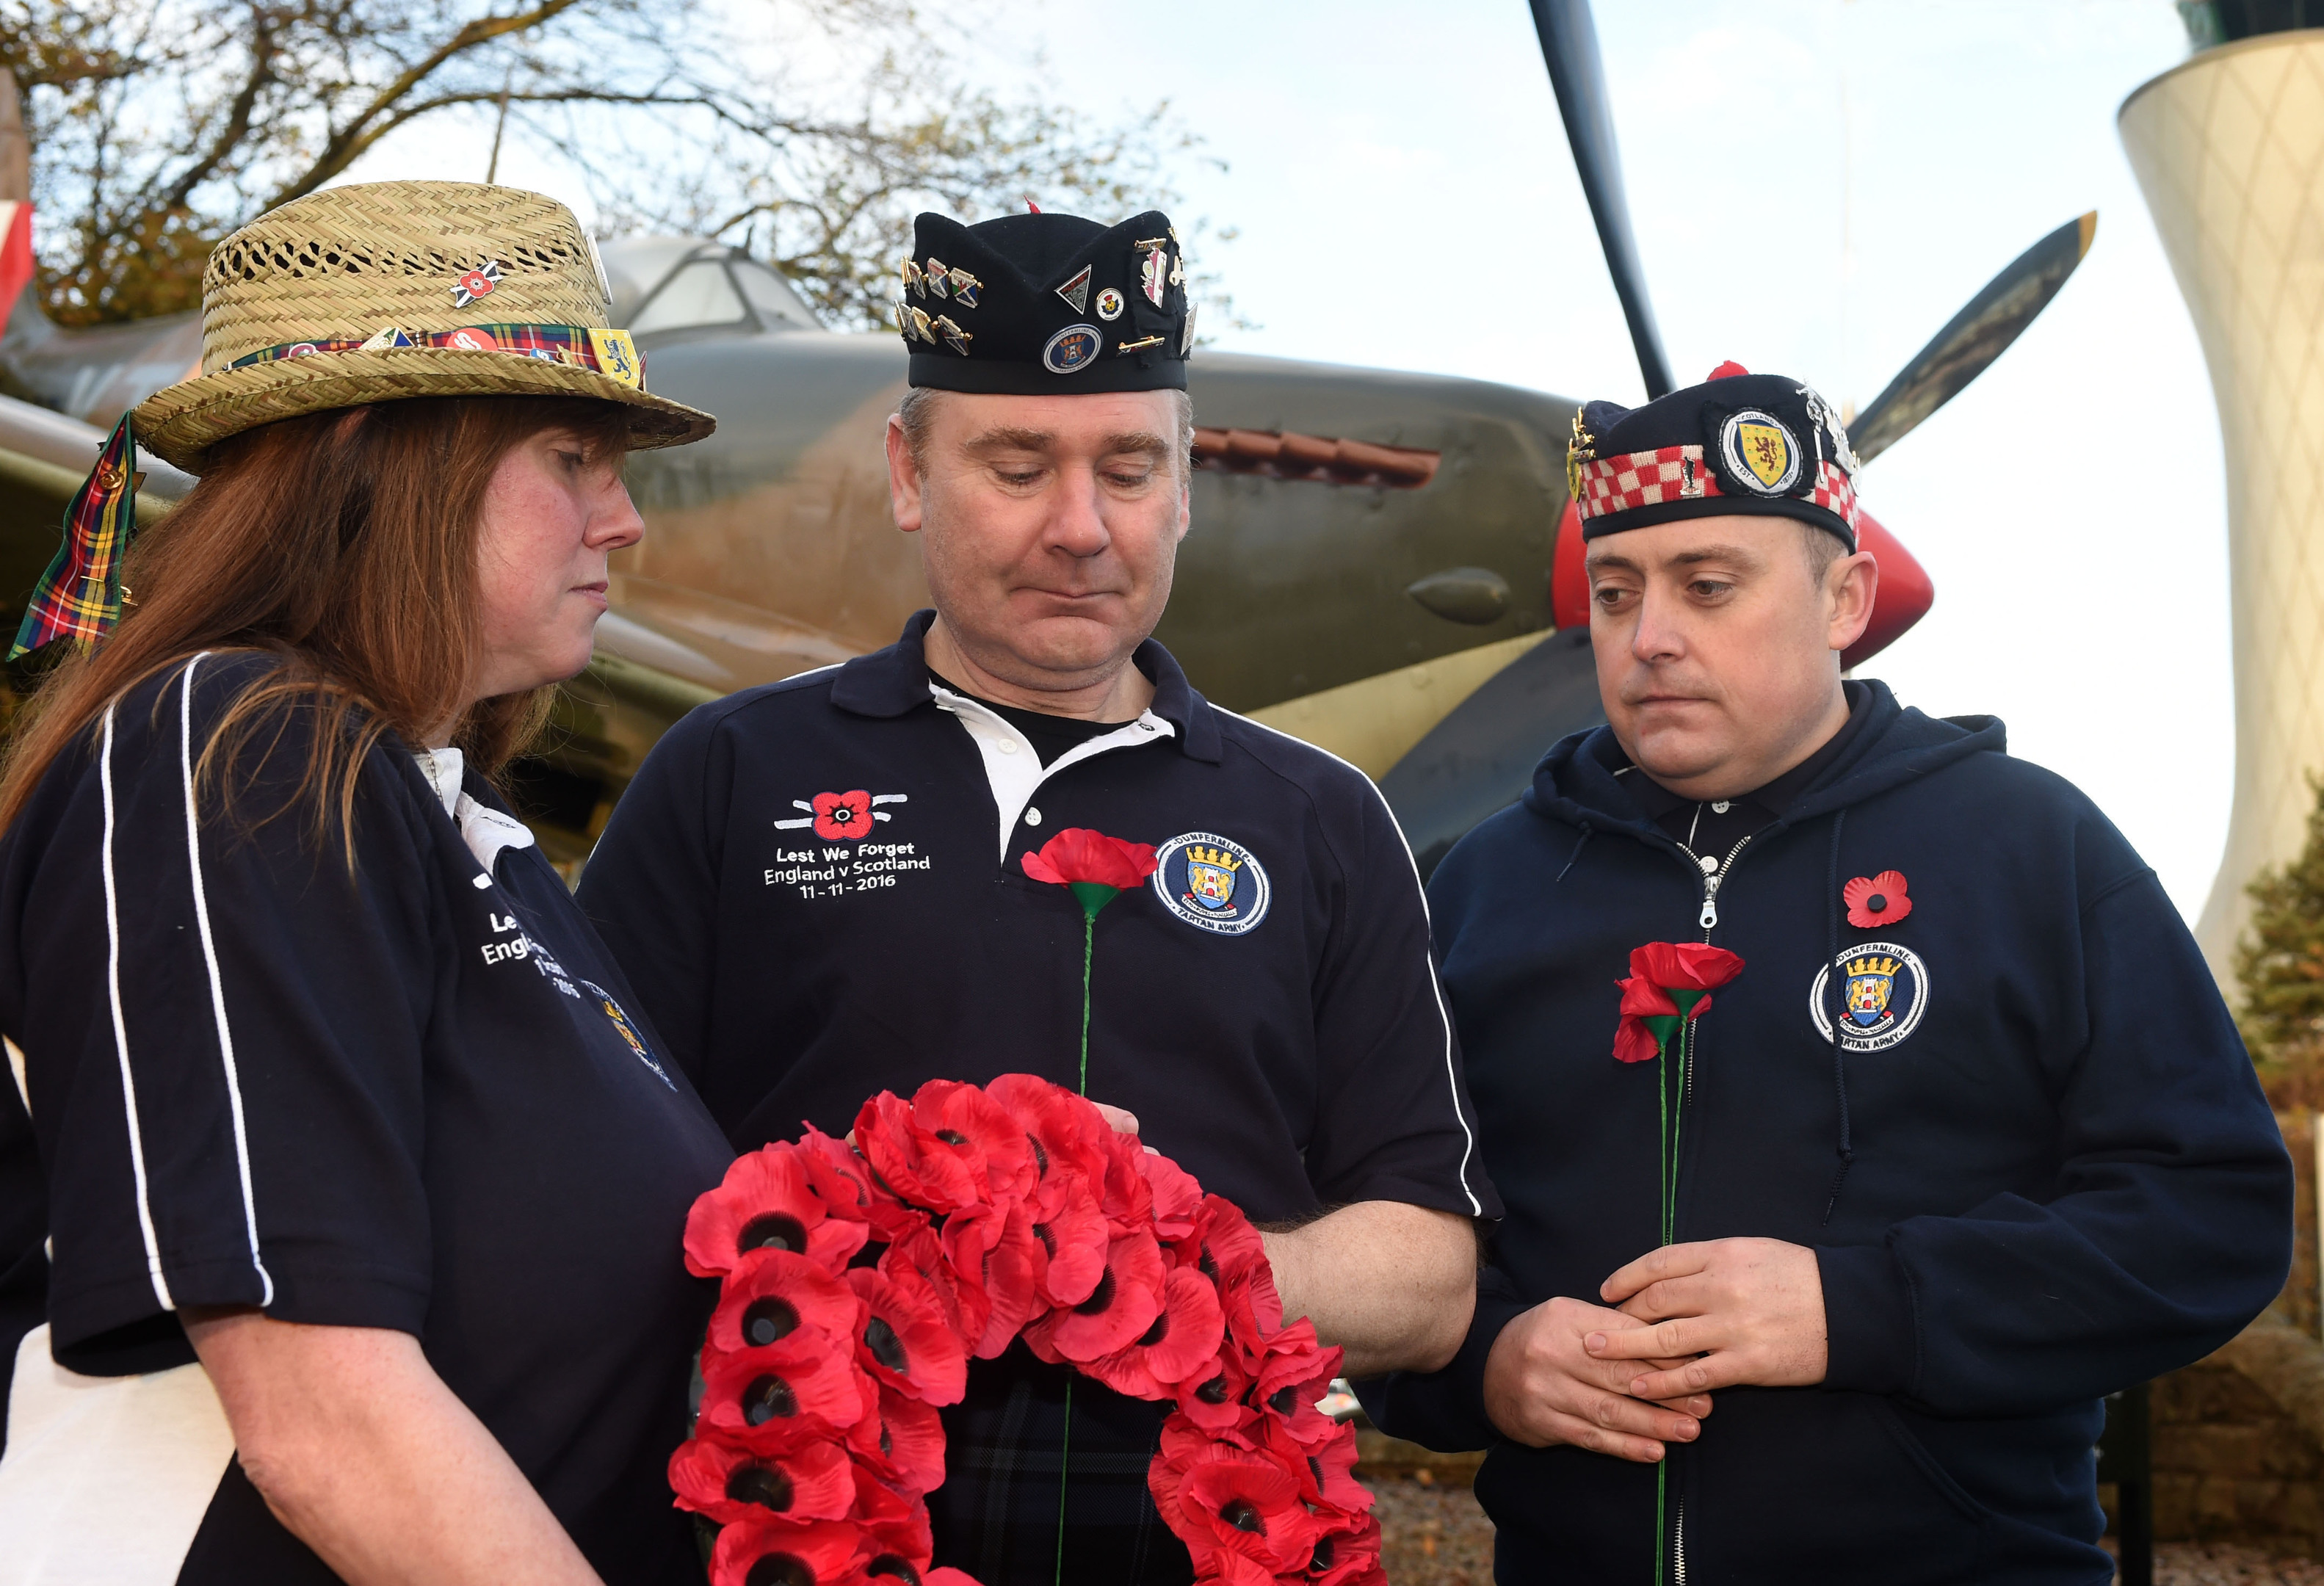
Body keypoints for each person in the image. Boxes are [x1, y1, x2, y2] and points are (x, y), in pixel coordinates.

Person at [576, 206, 1498, 1584]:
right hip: (790, 1526)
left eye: (1129, 468)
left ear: (1186, 485)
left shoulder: (1319, 820)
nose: (1080, 529)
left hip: (1199, 1539)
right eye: (1017, 465)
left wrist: (1129, 1254)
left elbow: (1426, 1283)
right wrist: (902, 1249)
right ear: (907, 471)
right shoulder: (726, 771)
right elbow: (587, 1192)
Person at [1365, 363, 2295, 1583]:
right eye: (1612, 592)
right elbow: (1373, 1230)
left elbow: (2210, 1219)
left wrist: (1861, 1309)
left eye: (1708, 587)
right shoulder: (1479, 885)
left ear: (1843, 598)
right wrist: (1481, 1364)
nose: (1649, 637)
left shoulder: (2028, 848)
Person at [0, 180, 734, 1586]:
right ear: (376, 456)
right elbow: (321, 1415)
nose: (624, 519)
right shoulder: (234, 748)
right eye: (572, 455)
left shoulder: (456, 825)